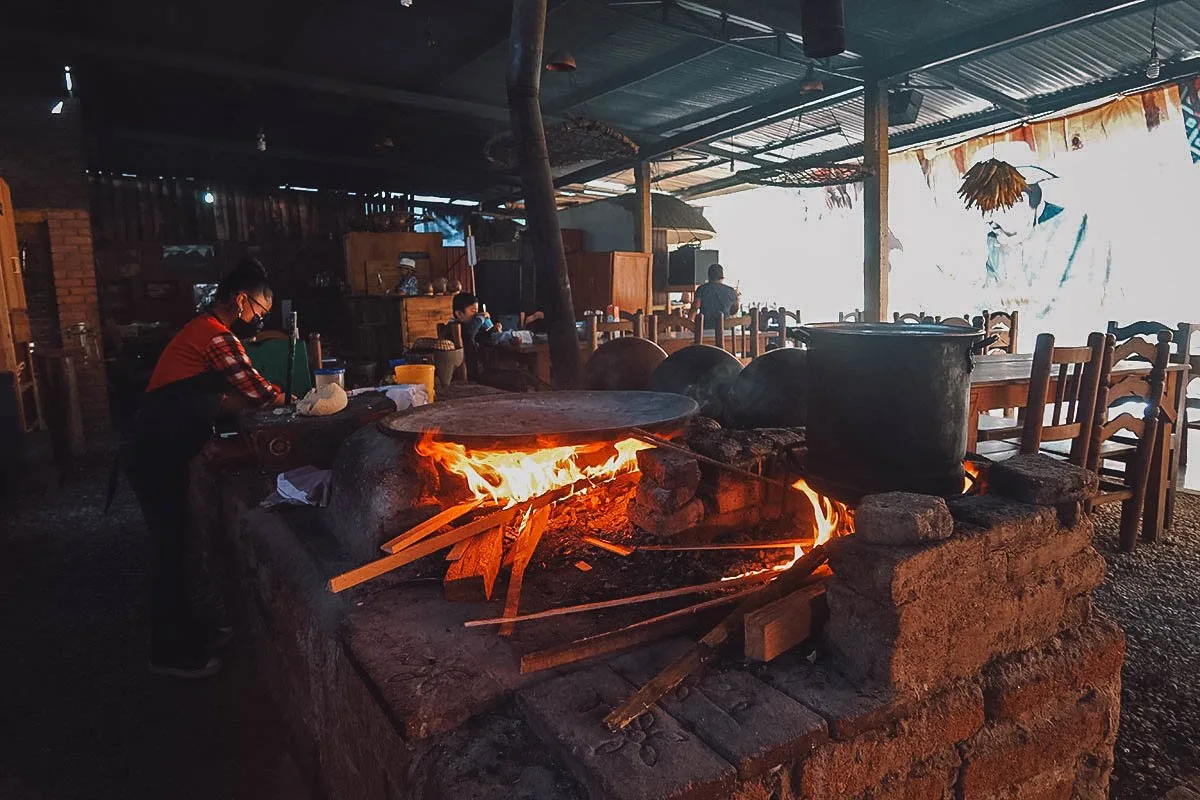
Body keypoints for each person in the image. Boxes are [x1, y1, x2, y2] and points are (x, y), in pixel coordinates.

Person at [123, 258, 288, 679]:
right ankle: (167, 651)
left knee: (176, 544)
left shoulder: (200, 330)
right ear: (240, 300)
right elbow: (258, 391)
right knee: (169, 549)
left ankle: (188, 630)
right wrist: (291, 401)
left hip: (160, 451)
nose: (259, 320)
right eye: (260, 312)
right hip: (154, 454)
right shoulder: (217, 337)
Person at [976, 142, 1114, 345]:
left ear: (1021, 200)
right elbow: (991, 303)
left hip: (1068, 356)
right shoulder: (996, 242)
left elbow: (1061, 307)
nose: (988, 219)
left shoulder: (1074, 227)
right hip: (1021, 359)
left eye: (993, 207)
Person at [689, 263, 740, 328]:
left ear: (709, 276)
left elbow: (695, 307)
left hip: (705, 330)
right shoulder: (731, 291)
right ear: (722, 277)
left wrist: (689, 323)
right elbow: (734, 310)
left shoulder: (701, 289)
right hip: (725, 330)